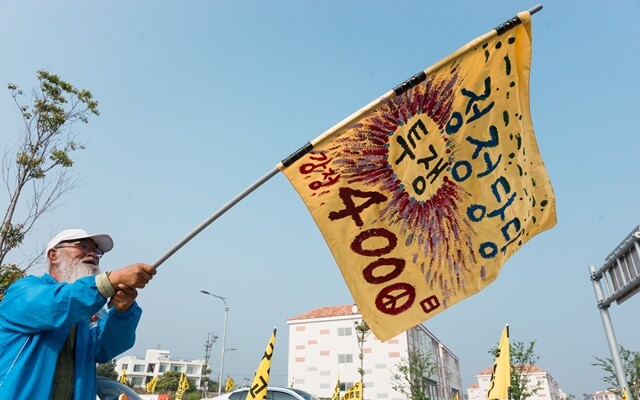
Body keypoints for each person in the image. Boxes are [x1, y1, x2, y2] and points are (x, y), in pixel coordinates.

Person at [0, 229, 156, 399]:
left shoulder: (89, 311)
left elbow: (107, 348)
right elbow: (56, 305)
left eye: (97, 251)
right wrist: (110, 280)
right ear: (53, 255)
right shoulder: (23, 291)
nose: (93, 255)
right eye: (84, 246)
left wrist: (123, 311)